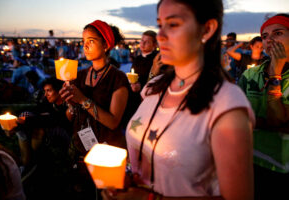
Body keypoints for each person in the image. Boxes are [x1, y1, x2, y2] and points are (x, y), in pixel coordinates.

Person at [103, 0, 255, 199]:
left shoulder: (226, 106)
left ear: (207, 29)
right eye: (160, 25)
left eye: (173, 25)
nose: (160, 36)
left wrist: (147, 198)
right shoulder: (153, 88)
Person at [59, 20, 129, 199]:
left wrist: (83, 99)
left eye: (91, 41)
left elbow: (113, 122)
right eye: (83, 41)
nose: (85, 46)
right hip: (80, 152)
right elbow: (69, 117)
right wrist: (70, 104)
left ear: (105, 45)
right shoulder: (79, 76)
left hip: (106, 153)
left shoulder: (117, 78)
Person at [238, 13, 289, 200]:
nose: (269, 40)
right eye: (265, 36)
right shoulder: (251, 75)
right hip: (249, 160)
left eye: (278, 33)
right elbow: (237, 115)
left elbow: (277, 120)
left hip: (283, 167)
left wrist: (276, 72)